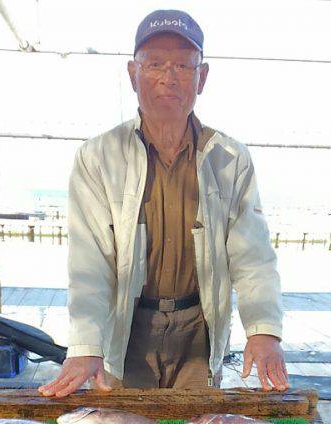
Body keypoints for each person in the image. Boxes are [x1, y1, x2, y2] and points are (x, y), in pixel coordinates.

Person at [40, 9, 289, 398]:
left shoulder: (229, 158)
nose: (168, 77)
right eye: (154, 63)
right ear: (132, 73)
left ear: (202, 77)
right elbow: (90, 262)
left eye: (183, 65)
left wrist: (263, 330)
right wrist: (86, 346)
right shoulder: (98, 156)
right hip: (129, 326)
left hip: (199, 329)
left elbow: (252, 255)